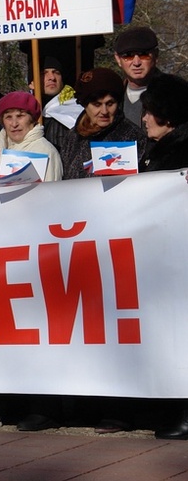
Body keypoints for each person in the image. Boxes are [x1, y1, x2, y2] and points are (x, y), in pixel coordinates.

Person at [137, 74, 188, 440]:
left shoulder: (180, 152)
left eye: (149, 112)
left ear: (167, 115)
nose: (144, 119)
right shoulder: (158, 150)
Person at [58, 68, 145, 180]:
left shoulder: (133, 137)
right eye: (97, 104)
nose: (104, 111)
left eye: (110, 103)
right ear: (85, 105)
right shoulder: (73, 137)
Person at [0, 92, 63, 182]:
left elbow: (52, 189)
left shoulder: (46, 151)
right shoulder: (2, 148)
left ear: (33, 119)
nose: (14, 124)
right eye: (8, 117)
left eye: (20, 116)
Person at [113, 26, 163, 127]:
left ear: (156, 55)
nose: (136, 63)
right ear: (118, 59)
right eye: (128, 56)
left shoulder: (175, 95)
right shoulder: (112, 96)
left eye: (143, 54)